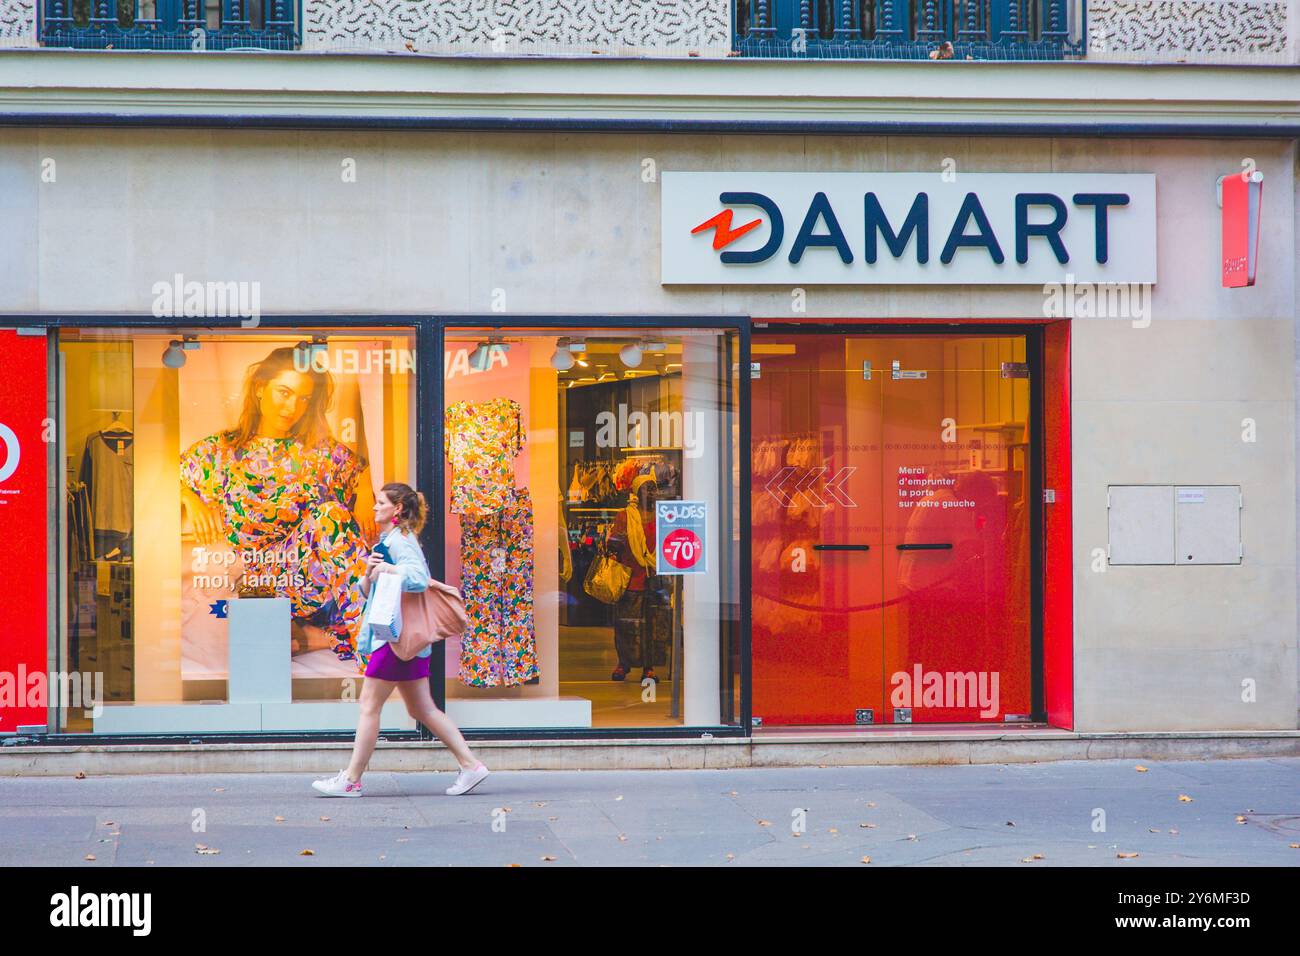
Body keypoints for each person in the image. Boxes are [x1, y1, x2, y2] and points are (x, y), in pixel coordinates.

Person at [180, 346, 376, 665]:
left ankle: (363, 645)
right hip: (258, 582)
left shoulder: (317, 451)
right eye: (284, 393)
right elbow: (167, 471)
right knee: (330, 516)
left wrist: (365, 494)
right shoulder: (222, 451)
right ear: (260, 388)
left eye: (303, 399)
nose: (292, 407)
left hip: (307, 579)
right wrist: (189, 498)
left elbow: (360, 469)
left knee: (331, 516)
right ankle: (348, 642)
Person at [312, 482, 490, 797]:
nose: (374, 507)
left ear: (397, 509)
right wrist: (370, 575)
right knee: (423, 709)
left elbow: (419, 580)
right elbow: (370, 592)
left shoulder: (401, 541)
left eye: (380, 502)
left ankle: (351, 780)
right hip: (406, 643)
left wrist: (389, 570)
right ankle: (471, 766)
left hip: (395, 641)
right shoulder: (390, 540)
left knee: (369, 705)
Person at [605, 473, 668, 683]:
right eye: (646, 488)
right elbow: (614, 542)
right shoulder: (624, 516)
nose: (651, 492)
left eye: (653, 488)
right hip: (630, 579)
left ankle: (648, 668)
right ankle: (623, 663)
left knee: (652, 627)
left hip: (654, 579)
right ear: (636, 492)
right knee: (626, 626)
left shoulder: (662, 516)